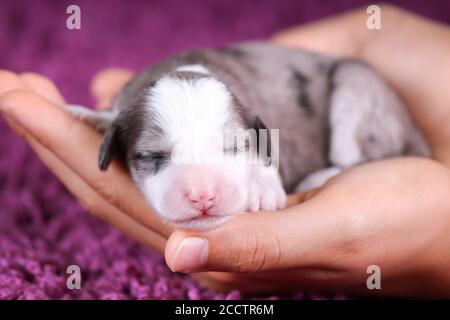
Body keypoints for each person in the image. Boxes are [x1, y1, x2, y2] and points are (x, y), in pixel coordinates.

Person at [0, 5, 449, 297]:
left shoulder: (249, 115)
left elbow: (266, 136)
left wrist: (263, 172)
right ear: (111, 148)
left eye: (231, 147)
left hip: (348, 94)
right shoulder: (124, 117)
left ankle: (346, 164)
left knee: (355, 85)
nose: (200, 192)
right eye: (156, 157)